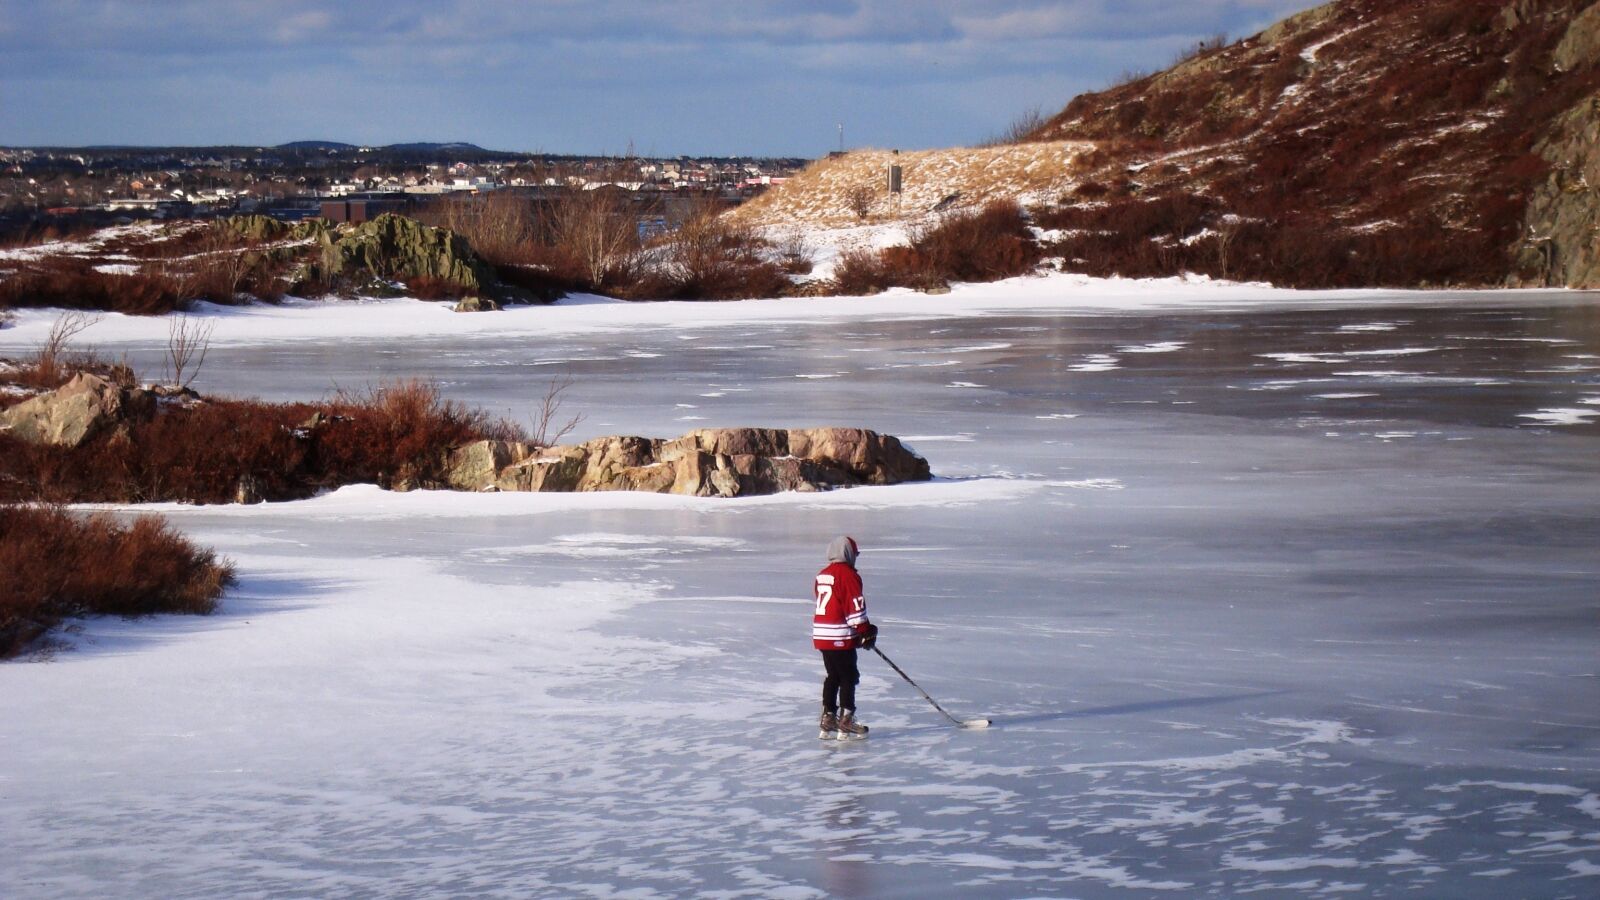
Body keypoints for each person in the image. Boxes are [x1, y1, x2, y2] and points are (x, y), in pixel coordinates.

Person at [813, 535, 878, 740]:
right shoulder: (848, 575)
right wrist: (865, 630)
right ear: (848, 554)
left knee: (833, 675)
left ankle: (828, 717)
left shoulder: (823, 574)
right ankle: (846, 720)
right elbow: (853, 606)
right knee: (849, 677)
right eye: (855, 554)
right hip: (839, 635)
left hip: (822, 634)